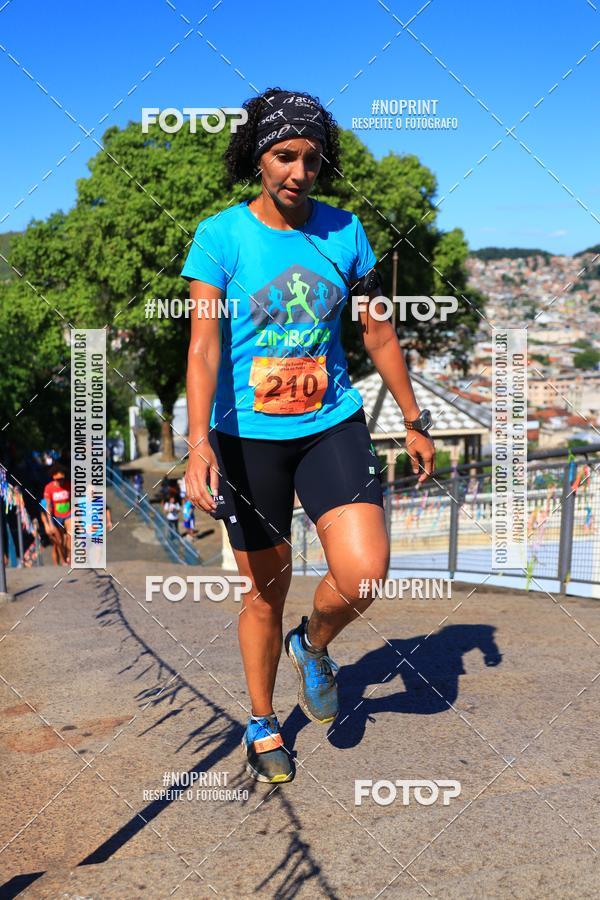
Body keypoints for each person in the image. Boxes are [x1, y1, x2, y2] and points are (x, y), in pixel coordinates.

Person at [182, 87, 435, 784]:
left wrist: (414, 419)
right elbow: (204, 347)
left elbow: (378, 330)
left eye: (311, 158)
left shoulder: (345, 231)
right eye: (284, 155)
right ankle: (262, 721)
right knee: (266, 587)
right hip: (247, 437)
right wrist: (198, 440)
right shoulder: (220, 236)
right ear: (257, 157)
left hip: (331, 424)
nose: (298, 170)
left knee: (363, 571)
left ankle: (313, 643)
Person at [41, 463, 71, 565]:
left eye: (62, 478)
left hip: (68, 514)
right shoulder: (48, 488)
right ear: (53, 478)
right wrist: (49, 524)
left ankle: (69, 557)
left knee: (70, 535)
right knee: (59, 541)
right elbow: (47, 507)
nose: (60, 481)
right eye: (58, 479)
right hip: (56, 517)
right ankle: (62, 560)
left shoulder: (69, 485)